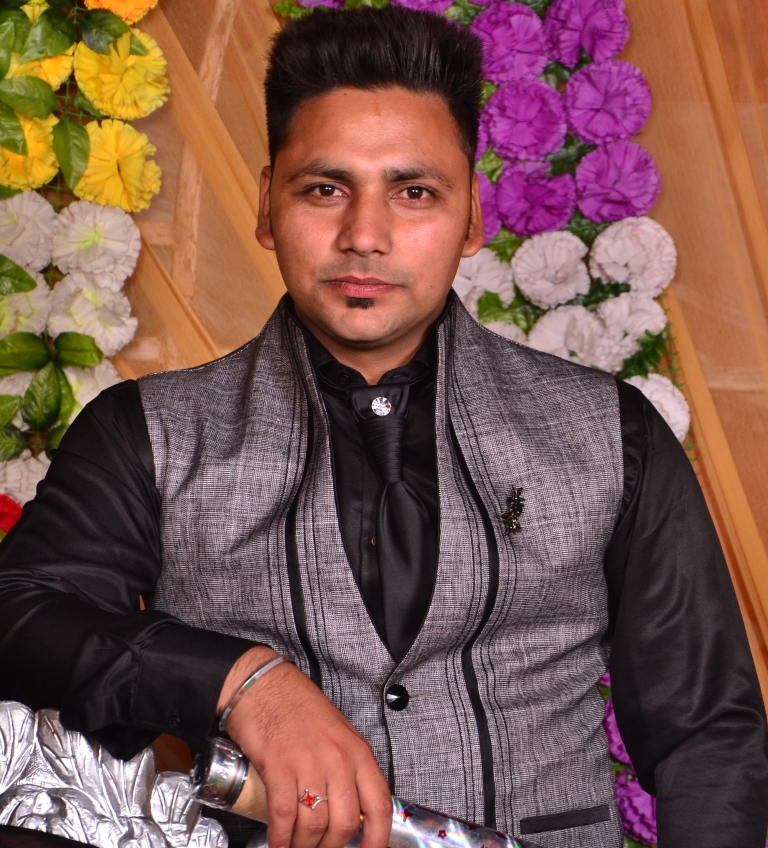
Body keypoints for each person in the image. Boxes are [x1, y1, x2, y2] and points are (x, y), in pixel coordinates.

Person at [0, 6, 766, 848]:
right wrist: (240, 681)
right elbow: (20, 616)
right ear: (267, 206)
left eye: (414, 192)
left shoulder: (612, 433)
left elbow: (708, 735)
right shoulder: (146, 431)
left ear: (472, 217)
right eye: (324, 189)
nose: (364, 236)